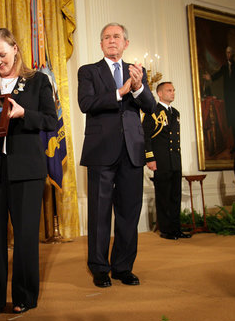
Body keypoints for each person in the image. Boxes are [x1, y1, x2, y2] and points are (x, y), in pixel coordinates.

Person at [0, 28, 57, 316]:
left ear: (16, 49)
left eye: (2, 55)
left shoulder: (38, 81)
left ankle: (24, 296)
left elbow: (50, 121)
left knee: (26, 236)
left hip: (26, 170)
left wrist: (23, 114)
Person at [77, 23, 155, 288]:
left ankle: (123, 266)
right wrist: (119, 92)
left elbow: (151, 107)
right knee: (99, 212)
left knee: (129, 213)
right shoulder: (88, 71)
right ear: (101, 44)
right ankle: (99, 268)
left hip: (131, 151)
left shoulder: (136, 71)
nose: (112, 41)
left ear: (126, 43)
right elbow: (85, 104)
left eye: (117, 37)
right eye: (107, 37)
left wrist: (137, 87)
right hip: (101, 150)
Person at [143, 82, 191, 240]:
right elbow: (146, 137)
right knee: (163, 196)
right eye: (169, 90)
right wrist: (150, 158)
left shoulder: (175, 112)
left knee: (175, 196)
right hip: (161, 161)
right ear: (160, 94)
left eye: (174, 90)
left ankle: (176, 229)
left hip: (175, 161)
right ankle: (166, 230)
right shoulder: (153, 111)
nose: (173, 93)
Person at [203, 46, 235, 151]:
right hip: (229, 98)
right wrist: (210, 78)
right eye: (227, 53)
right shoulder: (225, 67)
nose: (228, 55)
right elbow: (217, 75)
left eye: (230, 52)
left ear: (233, 54)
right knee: (231, 120)